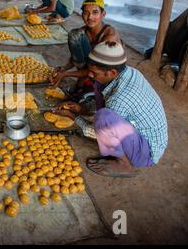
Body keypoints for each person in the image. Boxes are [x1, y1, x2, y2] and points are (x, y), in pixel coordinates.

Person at [54, 41, 168, 178]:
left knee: (104, 118)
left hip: (145, 151)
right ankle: (122, 154)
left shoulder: (121, 98)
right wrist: (82, 108)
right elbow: (104, 100)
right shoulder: (128, 73)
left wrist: (73, 117)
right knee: (96, 88)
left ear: (112, 72)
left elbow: (96, 131)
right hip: (139, 134)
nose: (89, 75)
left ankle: (124, 164)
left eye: (94, 72)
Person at [50, 0, 121, 92]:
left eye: (95, 12)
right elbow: (77, 58)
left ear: (103, 14)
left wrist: (66, 75)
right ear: (82, 14)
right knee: (75, 35)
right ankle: (81, 84)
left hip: (106, 75)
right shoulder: (83, 32)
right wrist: (64, 68)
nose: (90, 17)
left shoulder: (110, 36)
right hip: (92, 68)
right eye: (86, 13)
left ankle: (84, 85)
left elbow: (100, 68)